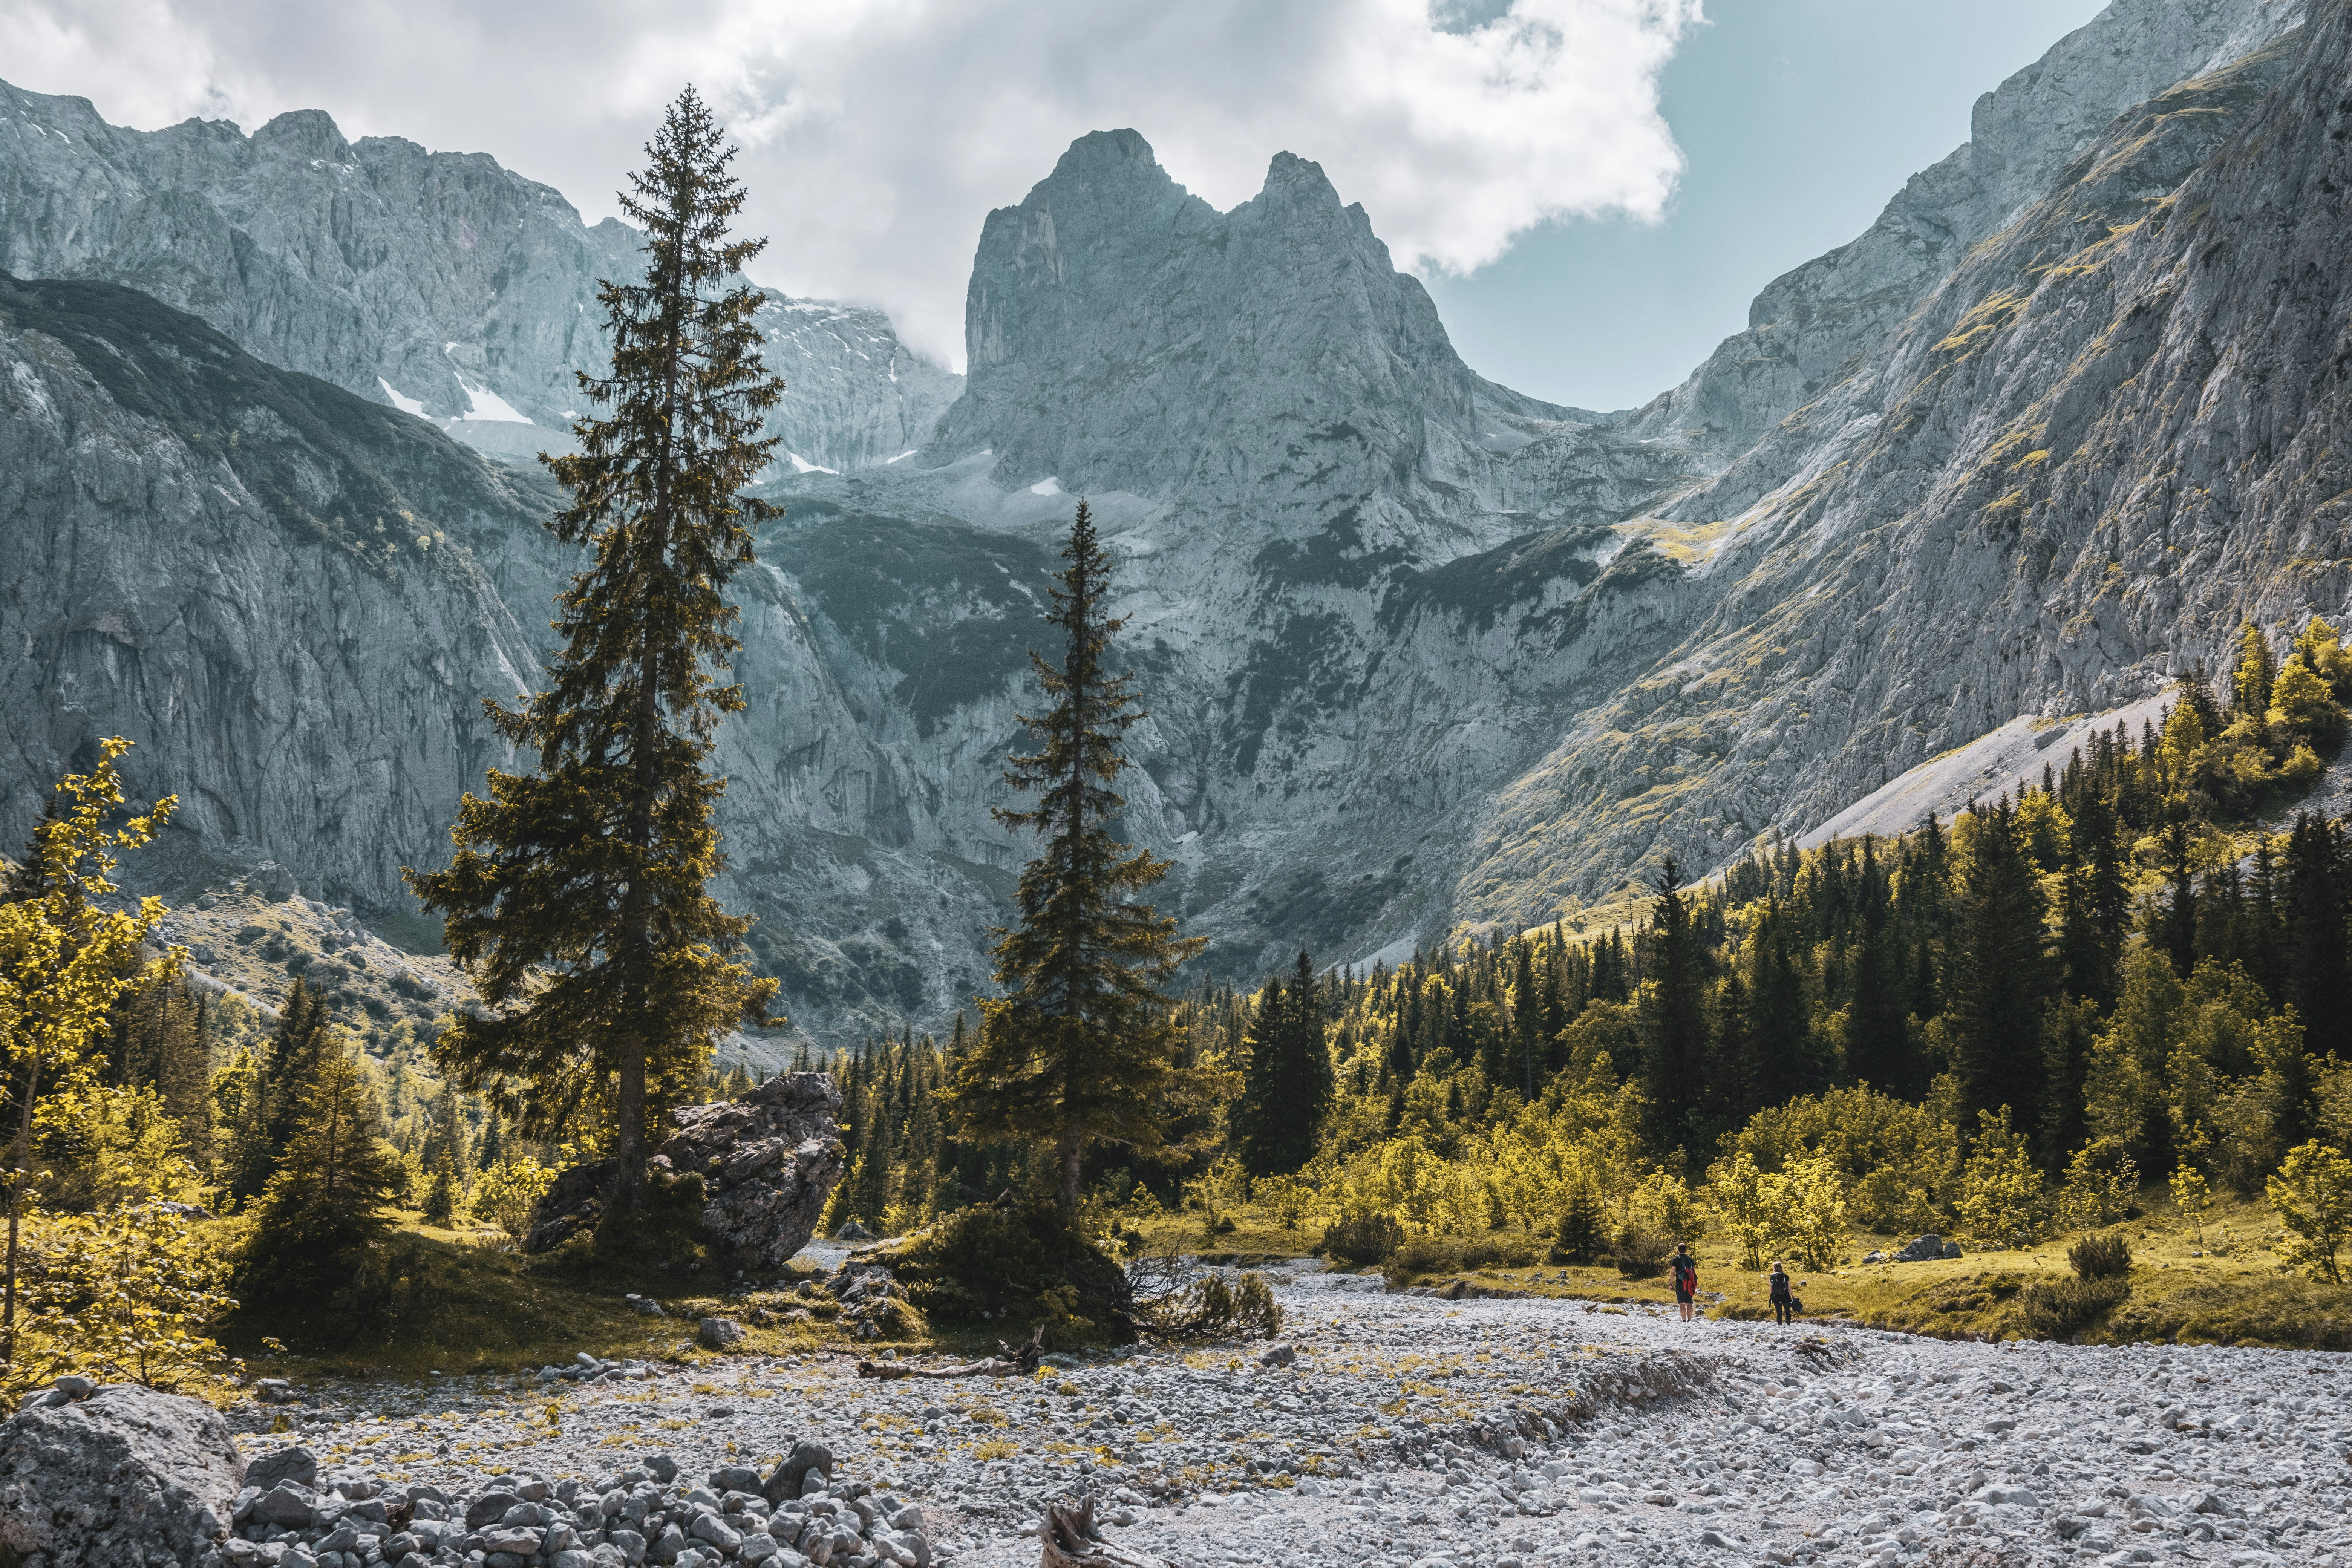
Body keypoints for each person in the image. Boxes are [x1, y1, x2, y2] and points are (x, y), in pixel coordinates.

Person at [1670, 1242, 1698, 1322]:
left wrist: (1670, 1284)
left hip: (1680, 1283)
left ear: (1678, 1250)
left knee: (1682, 1303)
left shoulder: (1676, 1259)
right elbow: (1693, 1271)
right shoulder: (1690, 1259)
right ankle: (1690, 1320)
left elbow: (1673, 1272)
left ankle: (1684, 1320)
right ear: (1686, 1250)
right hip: (1690, 1283)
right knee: (1689, 1303)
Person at [1769, 1260, 1795, 1326]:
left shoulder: (1772, 1277)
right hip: (1785, 1295)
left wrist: (1771, 1298)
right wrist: (1793, 1296)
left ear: (1774, 1268)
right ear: (1781, 1267)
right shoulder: (1786, 1276)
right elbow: (1789, 1287)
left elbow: (1771, 1290)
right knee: (1788, 1311)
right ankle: (1788, 1325)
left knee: (1779, 1312)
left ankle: (1780, 1325)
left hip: (1776, 1296)